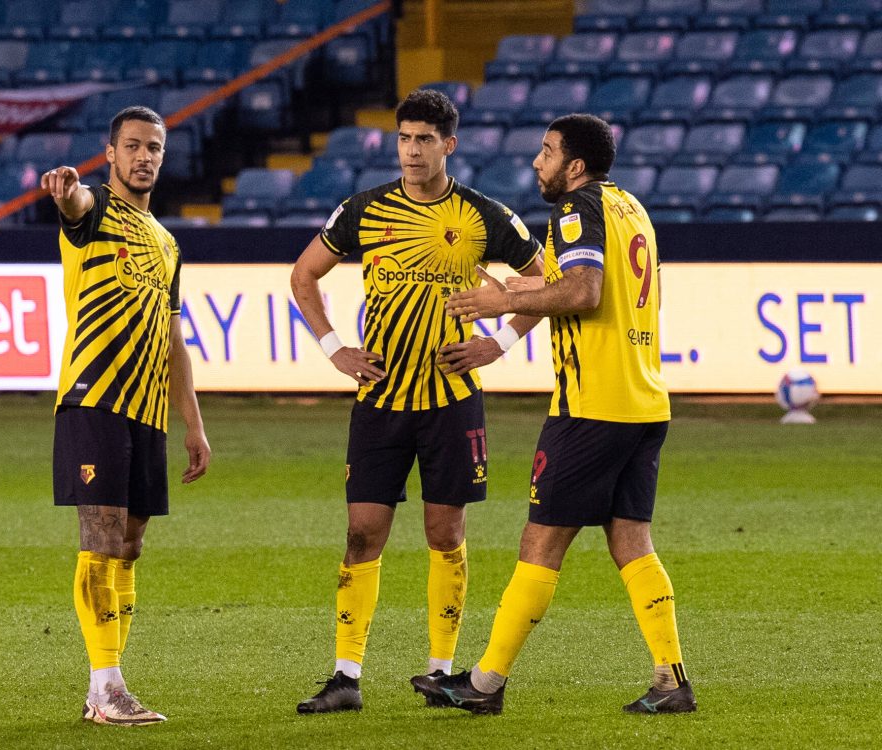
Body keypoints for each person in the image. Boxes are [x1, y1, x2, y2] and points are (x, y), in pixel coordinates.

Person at [412, 113, 696, 715]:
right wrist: (508, 312)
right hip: (644, 400)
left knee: (540, 542)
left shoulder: (574, 210)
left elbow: (582, 291)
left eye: (546, 153)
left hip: (591, 406)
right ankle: (671, 680)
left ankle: (484, 684)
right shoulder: (630, 208)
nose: (536, 163)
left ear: (575, 165)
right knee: (632, 541)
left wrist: (503, 300)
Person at [291, 88, 544, 714]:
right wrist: (334, 349)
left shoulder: (485, 217)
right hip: (381, 398)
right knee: (361, 532)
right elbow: (304, 275)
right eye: (404, 138)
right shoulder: (364, 210)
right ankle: (345, 677)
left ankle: (441, 671)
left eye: (424, 139)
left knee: (444, 530)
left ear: (448, 145)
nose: (411, 150)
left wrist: (499, 342)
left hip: (452, 399)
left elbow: (547, 281)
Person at [42, 106, 212, 726]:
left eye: (155, 149)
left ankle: (105, 688)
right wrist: (67, 192)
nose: (144, 157)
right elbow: (75, 205)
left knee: (131, 545)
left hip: (147, 411)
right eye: (133, 147)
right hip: (94, 398)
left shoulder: (167, 244)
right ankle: (106, 685)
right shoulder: (94, 214)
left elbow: (174, 340)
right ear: (110, 154)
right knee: (101, 534)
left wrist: (192, 424)